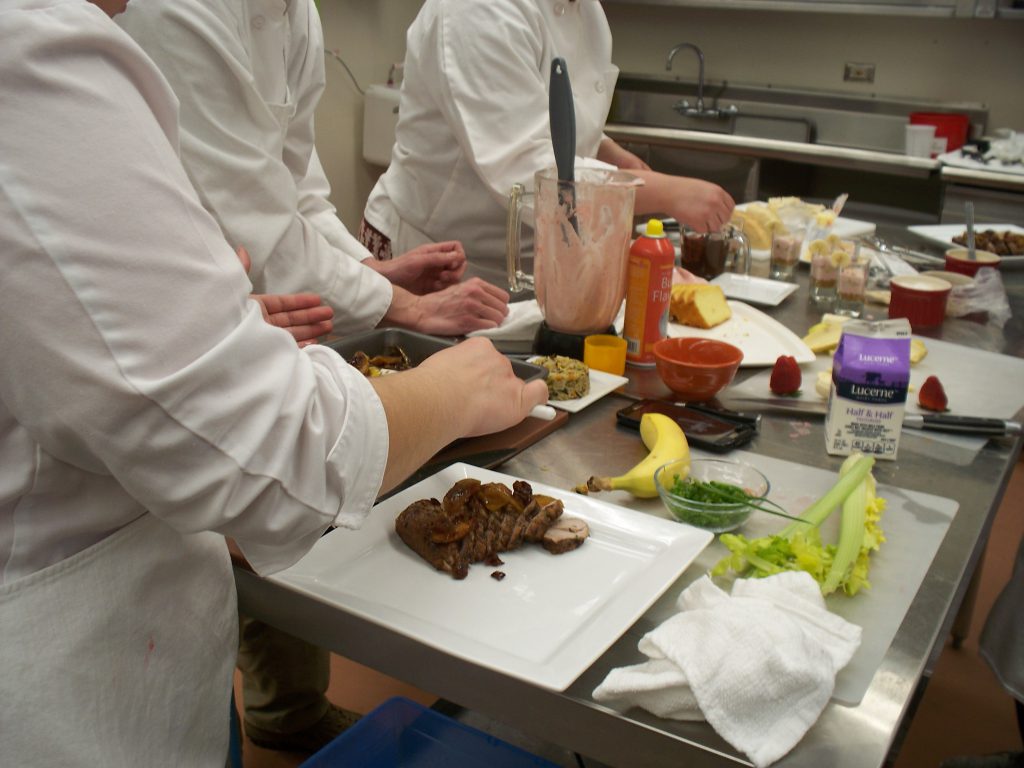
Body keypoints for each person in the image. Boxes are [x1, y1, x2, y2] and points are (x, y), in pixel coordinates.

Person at [0, 3, 548, 766]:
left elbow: (293, 197)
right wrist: (448, 392)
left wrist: (343, 286)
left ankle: (282, 716)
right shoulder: (31, 54)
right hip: (68, 693)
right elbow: (269, 451)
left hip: (152, 632)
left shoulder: (286, 21)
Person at [117, 0, 510, 339]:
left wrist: (370, 271)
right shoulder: (179, 10)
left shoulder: (298, 14)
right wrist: (409, 307)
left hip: (241, 303)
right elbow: (255, 225)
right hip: (158, 311)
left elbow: (296, 191)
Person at [361, 0, 736, 287]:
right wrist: (669, 192)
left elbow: (544, 110)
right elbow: (527, 170)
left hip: (525, 261)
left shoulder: (585, 10)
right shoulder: (479, 10)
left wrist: (609, 152)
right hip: (434, 260)